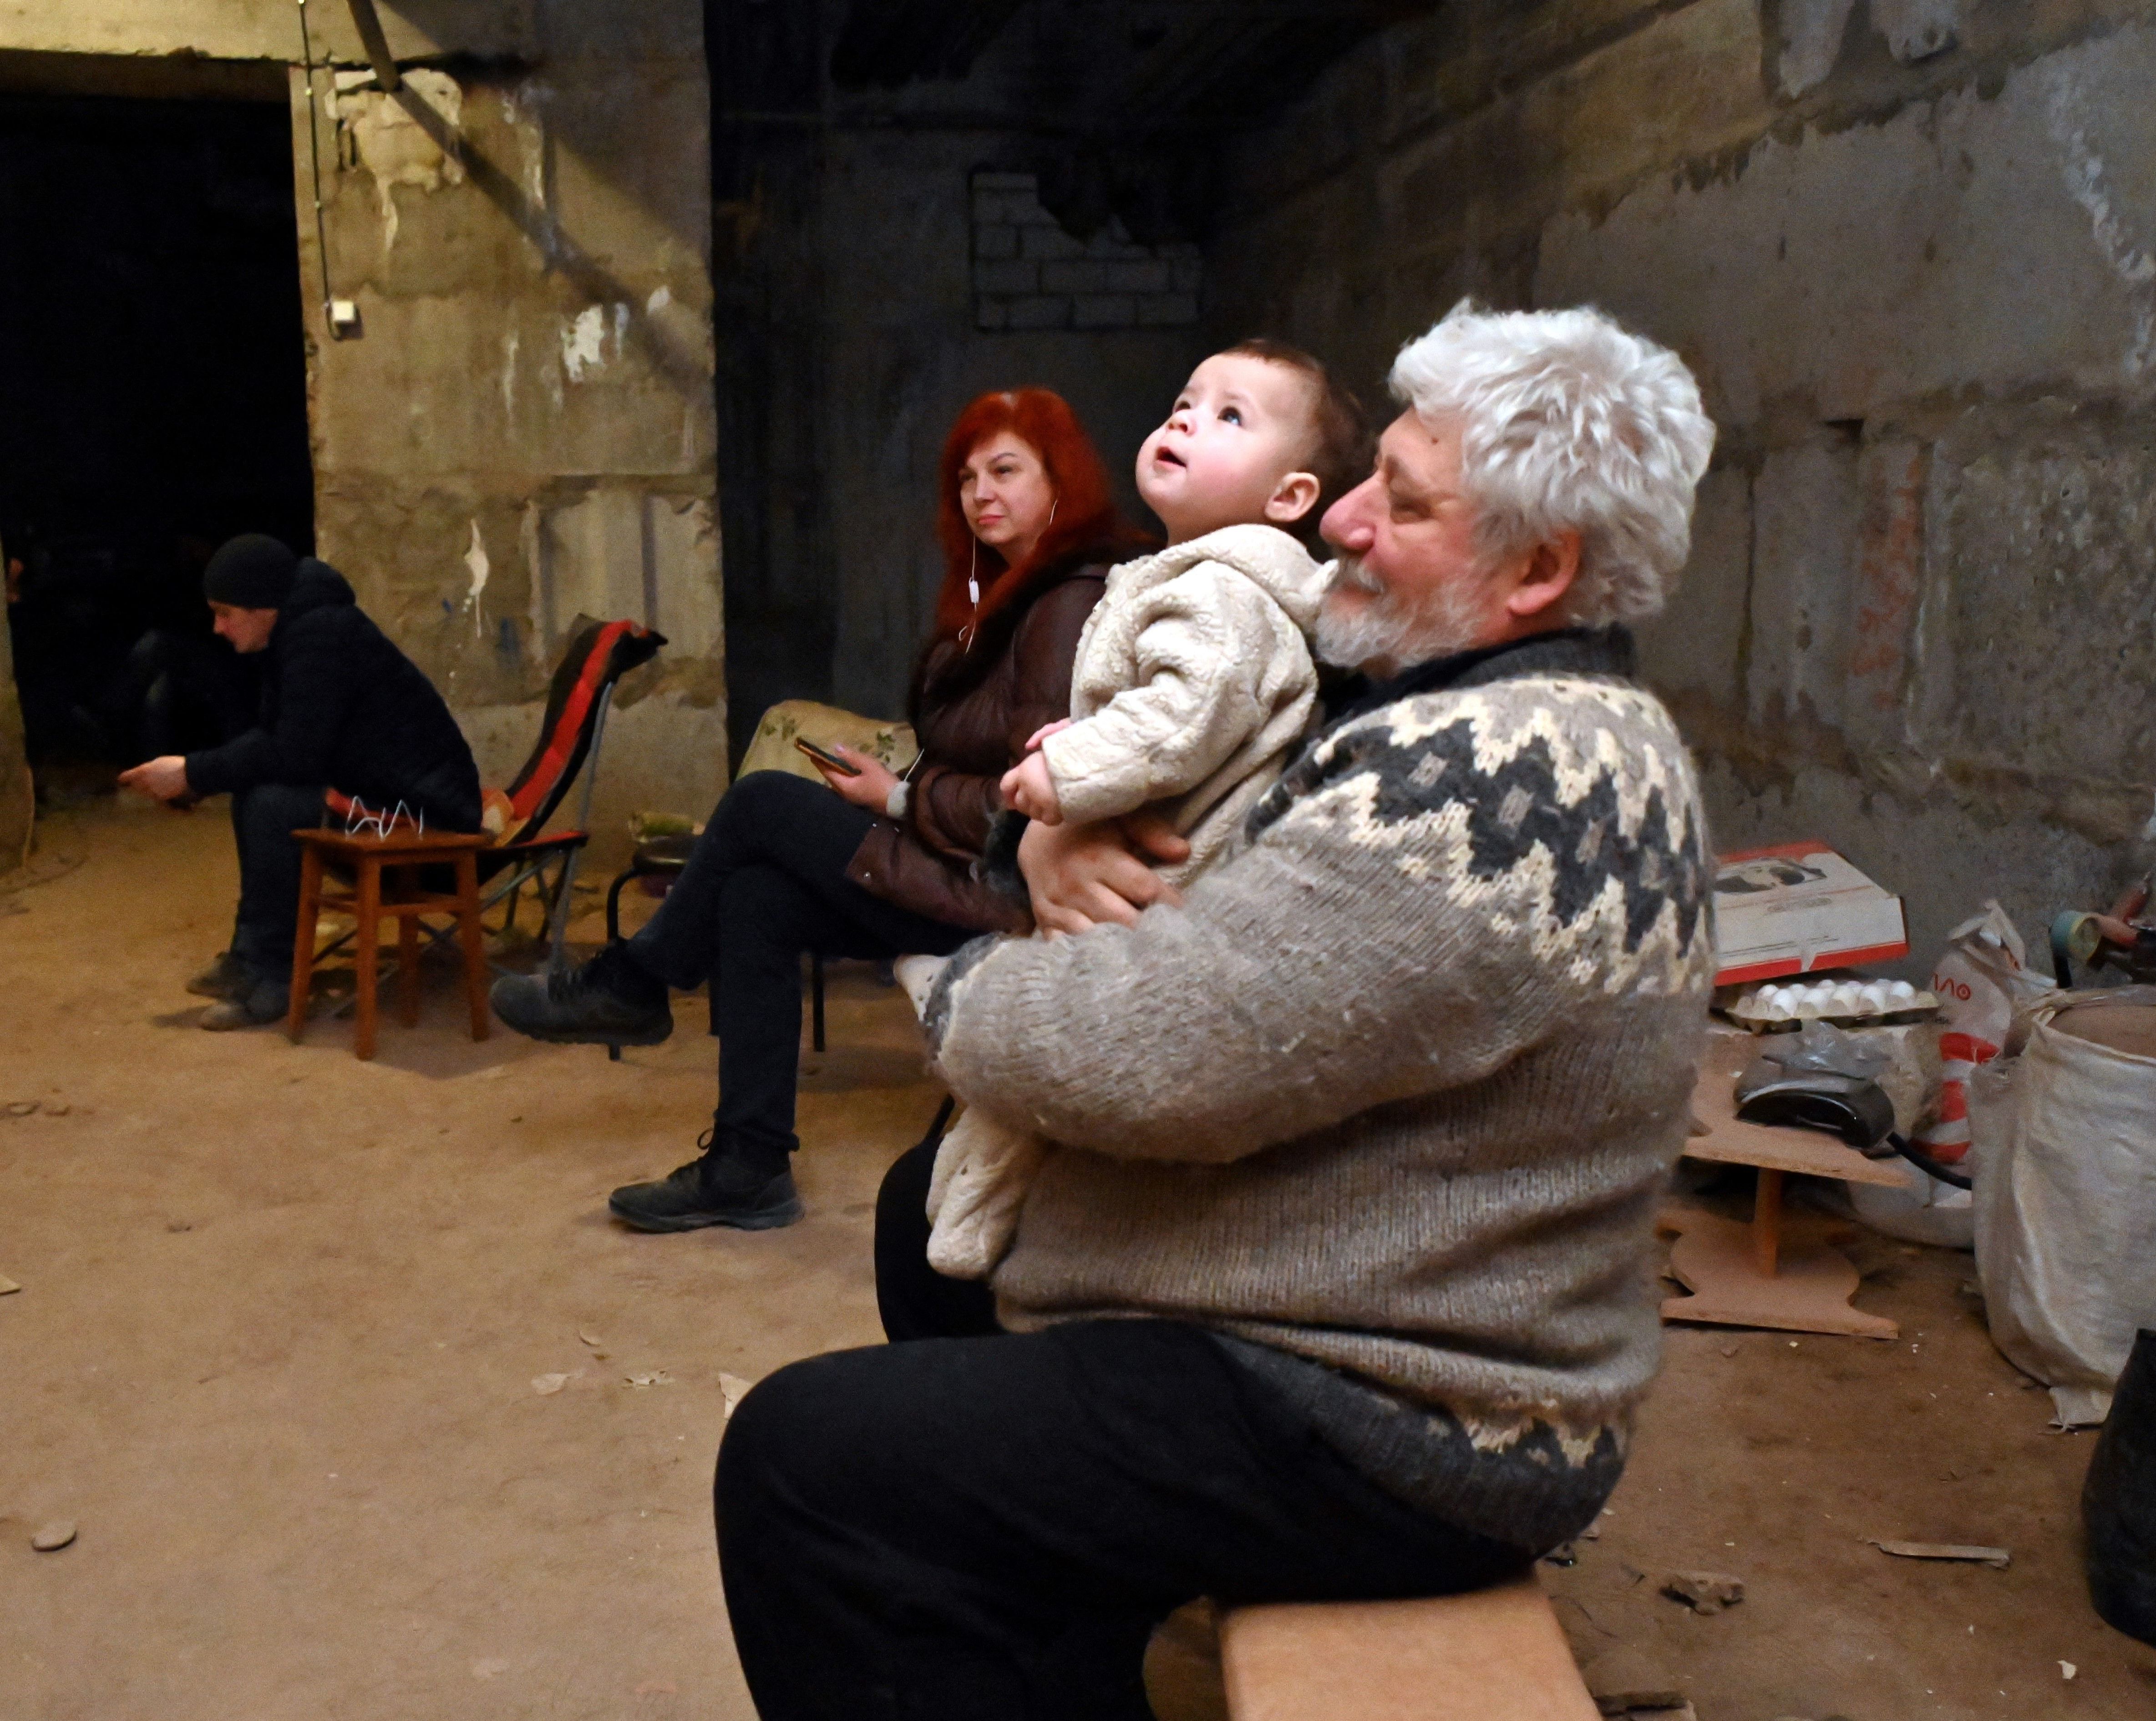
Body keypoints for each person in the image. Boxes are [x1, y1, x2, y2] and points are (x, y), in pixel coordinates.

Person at [712, 301, 1721, 1721]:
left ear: (1537, 568)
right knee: (920, 1220)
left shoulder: (1512, 780)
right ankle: (1045, 1638)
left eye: (1406, 501)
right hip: (1398, 1320)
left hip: (1419, 1413)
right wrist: (1053, 853)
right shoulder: (1496, 710)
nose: (1350, 521)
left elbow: (1159, 1056)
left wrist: (958, 984)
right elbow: (1222, 882)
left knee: (801, 1463)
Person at [489, 389, 1151, 1234]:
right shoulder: (1001, 596)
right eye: (967, 477)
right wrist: (900, 782)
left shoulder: (1067, 604)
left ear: (1060, 483)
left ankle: (633, 983)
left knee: (763, 801)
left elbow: (1032, 799)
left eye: (1006, 471)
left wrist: (901, 797)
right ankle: (746, 1167)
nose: (980, 491)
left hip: (1007, 889)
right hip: (957, 867)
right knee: (753, 897)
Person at [923, 339, 1371, 1280]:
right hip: (1123, 853)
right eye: (1184, 400)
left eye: (1229, 416)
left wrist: (1066, 775)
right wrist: (1065, 778)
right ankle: (953, 1193)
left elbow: (1180, 719)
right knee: (1026, 1066)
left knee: (1045, 1065)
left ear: (1290, 499)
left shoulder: (1227, 596)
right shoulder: (1178, 576)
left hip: (1171, 872)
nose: (1185, 419)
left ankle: (962, 1233)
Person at [117, 535, 481, 1030]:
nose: (218, 627)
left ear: (262, 606)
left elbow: (295, 752)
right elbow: (276, 740)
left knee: (274, 805)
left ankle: (274, 979)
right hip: (388, 796)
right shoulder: (294, 631)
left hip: (429, 818)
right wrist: (197, 783)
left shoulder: (321, 635)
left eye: (226, 612)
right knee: (258, 792)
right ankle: (252, 959)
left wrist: (192, 771)